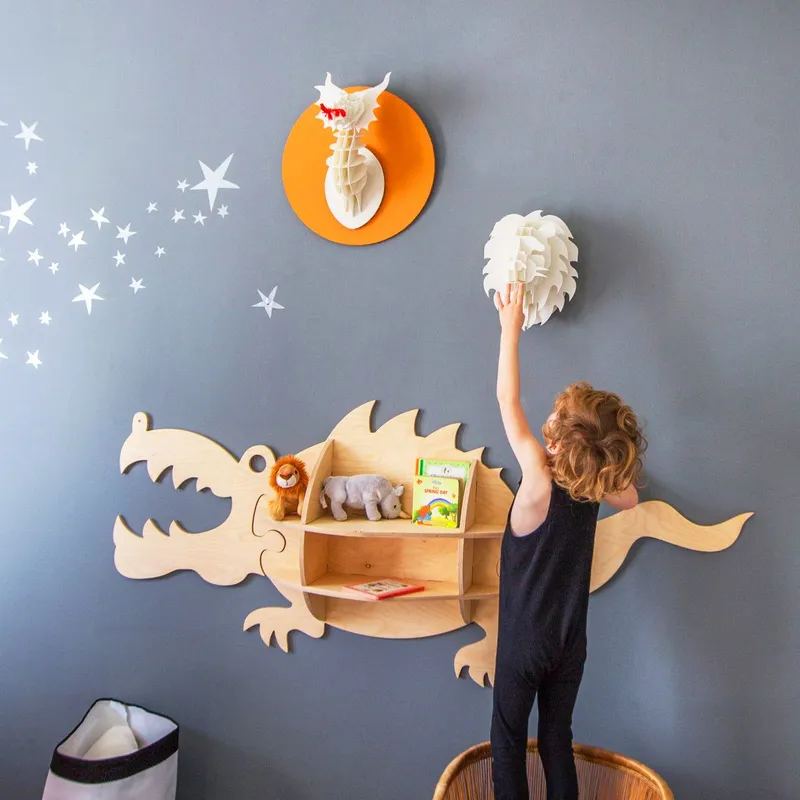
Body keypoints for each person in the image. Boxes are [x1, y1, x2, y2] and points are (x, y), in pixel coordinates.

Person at [490, 283, 647, 800]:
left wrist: (510, 329)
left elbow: (507, 401)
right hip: (569, 644)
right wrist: (603, 465)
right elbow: (631, 498)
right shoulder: (598, 485)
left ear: (555, 445)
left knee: (508, 743)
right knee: (557, 740)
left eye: (555, 420)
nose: (547, 422)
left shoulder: (538, 479)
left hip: (524, 643)